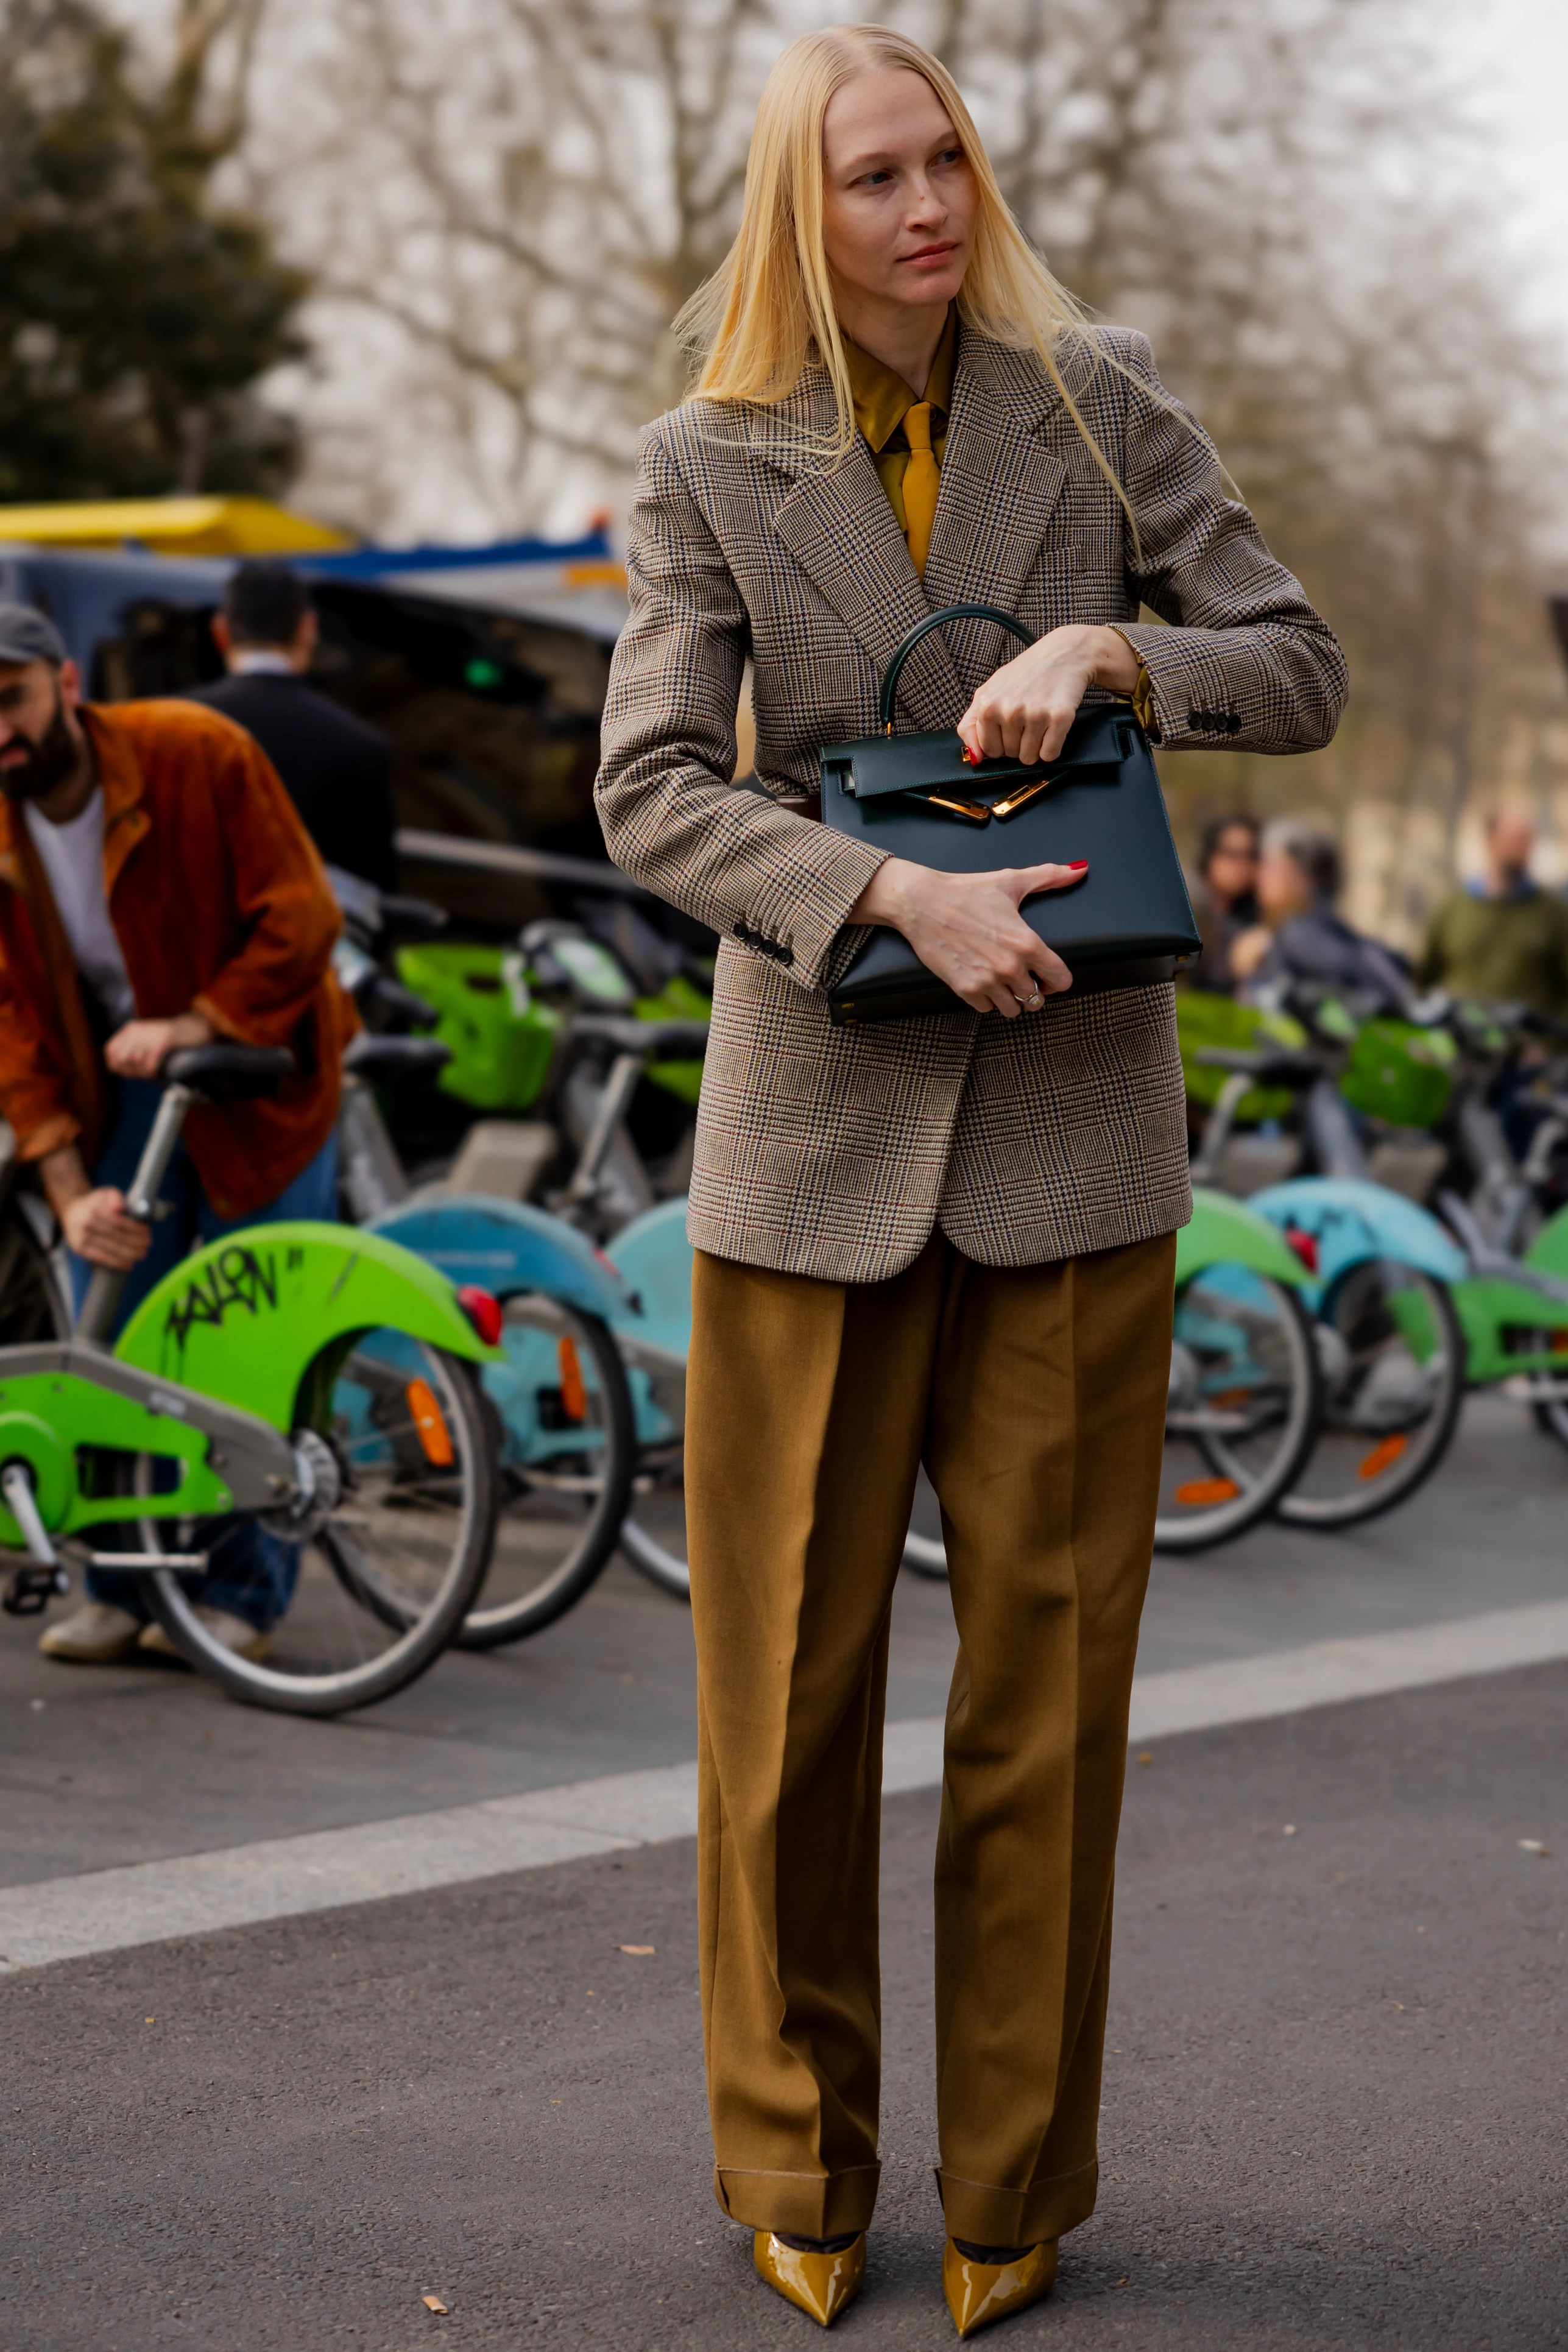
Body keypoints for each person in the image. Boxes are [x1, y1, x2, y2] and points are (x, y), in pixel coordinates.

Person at [596, 27, 1345, 2337]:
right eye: (872, 179)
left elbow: (1305, 667)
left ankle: (1017, 2186)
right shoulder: (708, 460)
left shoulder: (1101, 401)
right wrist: (882, 896)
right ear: (799, 219)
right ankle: (794, 2163)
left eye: (945, 161)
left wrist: (1128, 645)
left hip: (1081, 1151)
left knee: (1047, 1695)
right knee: (784, 1712)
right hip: (810, 1154)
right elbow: (647, 791)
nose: (926, 206)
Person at [0, 601, 353, 1665]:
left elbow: (302, 917)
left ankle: (244, 1589)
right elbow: (11, 1020)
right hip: (129, 1092)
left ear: (66, 685)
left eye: (9, 700)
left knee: (252, 1337)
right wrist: (66, 1189)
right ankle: (122, 1585)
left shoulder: (194, 750)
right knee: (107, 1329)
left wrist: (194, 1021)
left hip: (261, 1076)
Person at [185, 560, 399, 891]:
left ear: (221, 631)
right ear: (307, 629)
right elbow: (372, 891)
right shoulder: (360, 746)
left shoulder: (168, 727)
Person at [1232, 818, 1407, 1009]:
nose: (1260, 875)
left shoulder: (1299, 932)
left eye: (1271, 867)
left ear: (1305, 879)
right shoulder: (1306, 929)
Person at [1417, 809, 1568, 1019]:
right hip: (1457, 1039)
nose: (1526, 848)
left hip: (1523, 1044)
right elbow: (1424, 979)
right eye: (1518, 839)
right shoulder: (1453, 908)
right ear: (1491, 841)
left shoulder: (1552, 914)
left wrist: (1549, 1044)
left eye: (1529, 840)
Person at [1189, 811, 1260, 993]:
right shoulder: (1188, 912)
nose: (1242, 865)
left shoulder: (1256, 918)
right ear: (1209, 857)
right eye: (1232, 854)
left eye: (1250, 855)